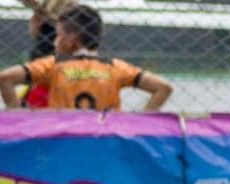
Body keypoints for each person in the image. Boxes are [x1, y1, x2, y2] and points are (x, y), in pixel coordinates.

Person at [0, 4, 173, 111]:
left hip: (62, 140)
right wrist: (141, 121)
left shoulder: (54, 65)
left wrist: (17, 114)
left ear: (70, 39)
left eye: (58, 35)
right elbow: (163, 88)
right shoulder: (115, 67)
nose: (54, 41)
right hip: (103, 142)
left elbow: (5, 77)